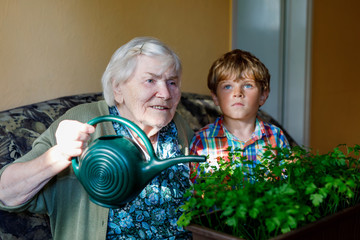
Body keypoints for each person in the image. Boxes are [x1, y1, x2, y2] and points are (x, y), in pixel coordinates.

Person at [0, 37, 195, 239]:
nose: (165, 93)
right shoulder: (86, 122)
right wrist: (59, 154)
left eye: (172, 82)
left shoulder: (178, 127)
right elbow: (6, 193)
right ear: (118, 88)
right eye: (150, 80)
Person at [190, 49, 290, 179]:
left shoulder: (276, 137)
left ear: (263, 95)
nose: (237, 93)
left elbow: (287, 185)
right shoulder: (201, 141)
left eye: (248, 85)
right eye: (227, 86)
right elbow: (194, 191)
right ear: (215, 97)